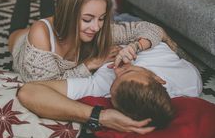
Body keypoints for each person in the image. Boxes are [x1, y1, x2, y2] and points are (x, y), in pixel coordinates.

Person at [8, 0, 175, 83]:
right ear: (69, 15)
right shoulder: (39, 34)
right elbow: (46, 86)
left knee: (50, 18)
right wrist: (91, 64)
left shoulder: (96, 30)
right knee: (18, 28)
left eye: (101, 18)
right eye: (87, 19)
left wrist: (135, 46)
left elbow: (152, 29)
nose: (96, 27)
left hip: (58, 27)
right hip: (22, 43)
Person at [18, 42, 202, 130]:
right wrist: (136, 44)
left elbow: (29, 91)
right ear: (158, 78)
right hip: (131, 27)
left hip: (88, 41)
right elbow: (158, 35)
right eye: (130, 71)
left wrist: (99, 116)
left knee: (22, 37)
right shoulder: (190, 81)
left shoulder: (101, 86)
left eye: (114, 81)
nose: (116, 69)